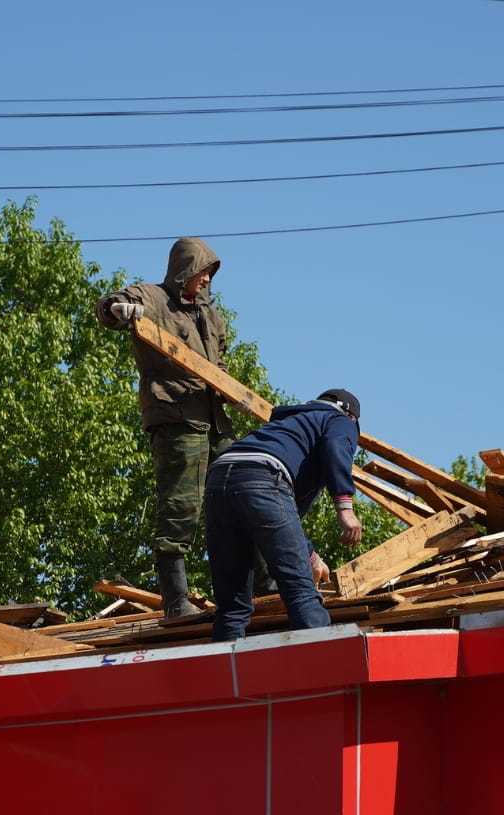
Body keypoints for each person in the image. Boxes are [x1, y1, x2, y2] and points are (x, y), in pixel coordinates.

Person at [95, 237, 233, 619]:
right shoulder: (154, 298)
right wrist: (117, 309)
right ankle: (176, 600)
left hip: (215, 420)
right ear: (186, 269)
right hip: (178, 419)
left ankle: (259, 582)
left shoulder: (209, 314)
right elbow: (110, 305)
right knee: (180, 507)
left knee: (242, 486)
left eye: (209, 274)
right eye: (202, 272)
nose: (206, 280)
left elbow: (218, 362)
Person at [204, 389, 363, 641]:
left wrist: (310, 556)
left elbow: (283, 519)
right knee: (301, 592)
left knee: (232, 607)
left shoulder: (288, 425)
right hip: (263, 476)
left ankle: (222, 676)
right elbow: (335, 446)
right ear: (352, 418)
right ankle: (327, 669)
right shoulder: (340, 421)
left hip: (218, 479)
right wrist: (345, 507)